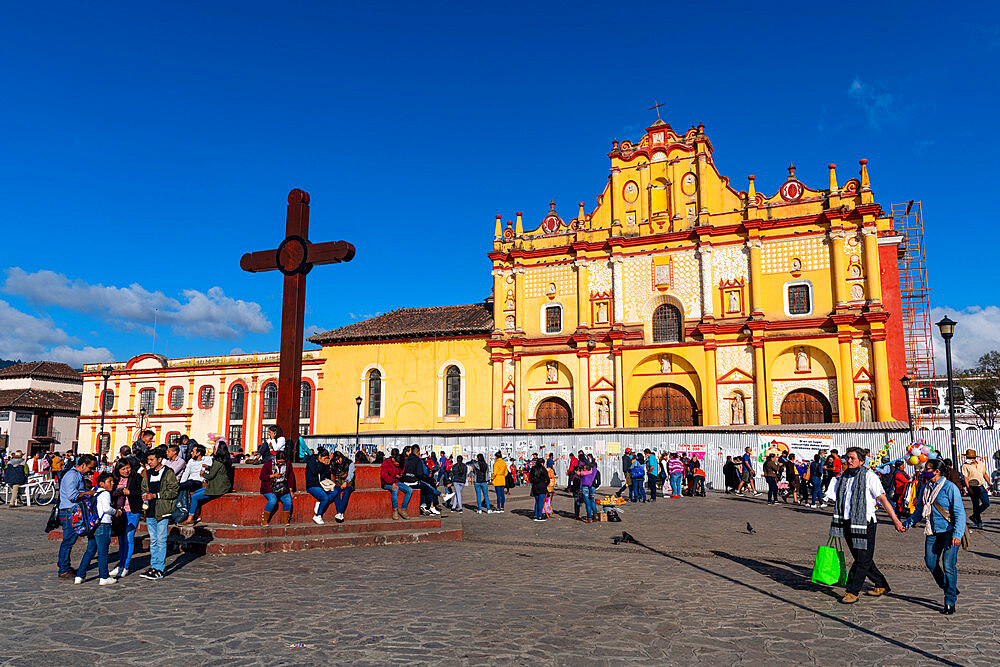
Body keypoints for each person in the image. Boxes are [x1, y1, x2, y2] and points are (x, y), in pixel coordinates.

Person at [830, 447, 906, 604]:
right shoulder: (844, 476)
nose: (848, 461)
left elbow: (883, 499)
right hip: (847, 521)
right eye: (847, 458)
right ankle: (881, 583)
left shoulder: (870, 476)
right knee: (861, 557)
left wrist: (896, 520)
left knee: (862, 559)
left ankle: (852, 590)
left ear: (861, 461)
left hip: (865, 522)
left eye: (852, 458)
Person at [903, 458, 966, 614]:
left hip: (949, 532)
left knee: (948, 566)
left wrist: (957, 534)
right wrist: (907, 523)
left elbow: (959, 513)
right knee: (930, 562)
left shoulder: (950, 488)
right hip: (932, 531)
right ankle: (949, 586)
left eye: (928, 469)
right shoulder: (925, 487)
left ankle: (950, 601)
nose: (925, 471)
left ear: (937, 471)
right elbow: (919, 510)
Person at [73, 472, 121, 585]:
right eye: (110, 482)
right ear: (102, 483)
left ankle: (80, 575)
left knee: (90, 551)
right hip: (103, 524)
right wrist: (116, 512)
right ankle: (104, 576)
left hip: (94, 525)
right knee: (103, 551)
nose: (112, 484)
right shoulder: (105, 494)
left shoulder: (95, 493)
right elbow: (106, 509)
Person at [139, 448, 179, 581]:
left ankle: (160, 568)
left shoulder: (168, 473)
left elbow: (173, 491)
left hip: (163, 511)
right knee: (154, 540)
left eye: (151, 460)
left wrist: (156, 495)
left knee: (161, 540)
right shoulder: (147, 473)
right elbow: (144, 488)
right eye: (148, 460)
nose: (149, 462)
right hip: (150, 510)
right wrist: (145, 496)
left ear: (159, 459)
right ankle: (154, 565)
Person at [57, 454, 98, 579]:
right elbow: (72, 495)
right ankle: (63, 569)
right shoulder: (72, 475)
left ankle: (65, 566)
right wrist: (88, 493)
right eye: (90, 468)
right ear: (83, 465)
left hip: (72, 511)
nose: (90, 471)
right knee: (68, 541)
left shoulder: (77, 475)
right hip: (70, 512)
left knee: (70, 540)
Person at [179, 451, 231, 526]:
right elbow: (216, 471)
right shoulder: (222, 462)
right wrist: (208, 467)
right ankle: (195, 514)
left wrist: (203, 474)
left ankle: (189, 519)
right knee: (196, 492)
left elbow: (210, 476)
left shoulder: (217, 462)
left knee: (194, 497)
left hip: (218, 488)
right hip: (219, 486)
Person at [109, 458, 141, 578]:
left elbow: (141, 492)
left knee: (129, 538)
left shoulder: (137, 477)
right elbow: (110, 492)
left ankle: (126, 566)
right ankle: (120, 565)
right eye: (123, 469)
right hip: (119, 513)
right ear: (118, 469)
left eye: (128, 468)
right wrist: (114, 494)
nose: (126, 471)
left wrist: (130, 492)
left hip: (132, 511)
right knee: (121, 539)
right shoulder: (115, 479)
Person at [260, 454, 295, 525]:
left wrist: (291, 490)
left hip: (282, 486)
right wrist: (273, 476)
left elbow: (291, 477)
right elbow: (262, 476)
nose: (281, 463)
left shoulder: (288, 464)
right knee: (273, 500)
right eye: (279, 462)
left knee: (288, 501)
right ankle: (264, 520)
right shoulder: (268, 463)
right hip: (269, 487)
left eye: (282, 462)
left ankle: (286, 520)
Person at [305, 447, 336, 524]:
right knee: (324, 498)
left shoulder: (323, 463)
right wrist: (322, 464)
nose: (325, 460)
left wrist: (327, 465)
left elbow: (326, 474)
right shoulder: (312, 461)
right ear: (319, 456)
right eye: (324, 458)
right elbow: (315, 471)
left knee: (334, 492)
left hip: (322, 484)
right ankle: (318, 515)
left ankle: (320, 505)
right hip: (312, 485)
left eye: (327, 458)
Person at [380, 448, 412, 520]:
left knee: (409, 490)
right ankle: (395, 510)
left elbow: (401, 470)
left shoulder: (399, 461)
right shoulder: (386, 462)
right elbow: (384, 475)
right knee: (395, 490)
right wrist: (392, 483)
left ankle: (403, 509)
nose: (397, 465)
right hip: (387, 483)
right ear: (393, 459)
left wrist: (400, 475)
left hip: (396, 481)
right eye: (396, 464)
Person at [961, 449, 990, 529]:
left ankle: (974, 516)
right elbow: (965, 477)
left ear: (974, 458)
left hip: (981, 485)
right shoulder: (965, 466)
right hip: (972, 486)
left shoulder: (981, 464)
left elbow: (985, 474)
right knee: (976, 504)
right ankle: (978, 520)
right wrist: (968, 488)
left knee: (986, 503)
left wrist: (989, 484)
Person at [528, 457, 549, 522]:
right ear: (542, 463)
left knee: (537, 502)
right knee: (540, 502)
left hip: (535, 487)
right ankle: (539, 516)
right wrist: (545, 485)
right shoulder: (543, 469)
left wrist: (533, 483)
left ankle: (535, 515)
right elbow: (547, 479)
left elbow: (530, 478)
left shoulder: (533, 468)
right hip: (542, 487)